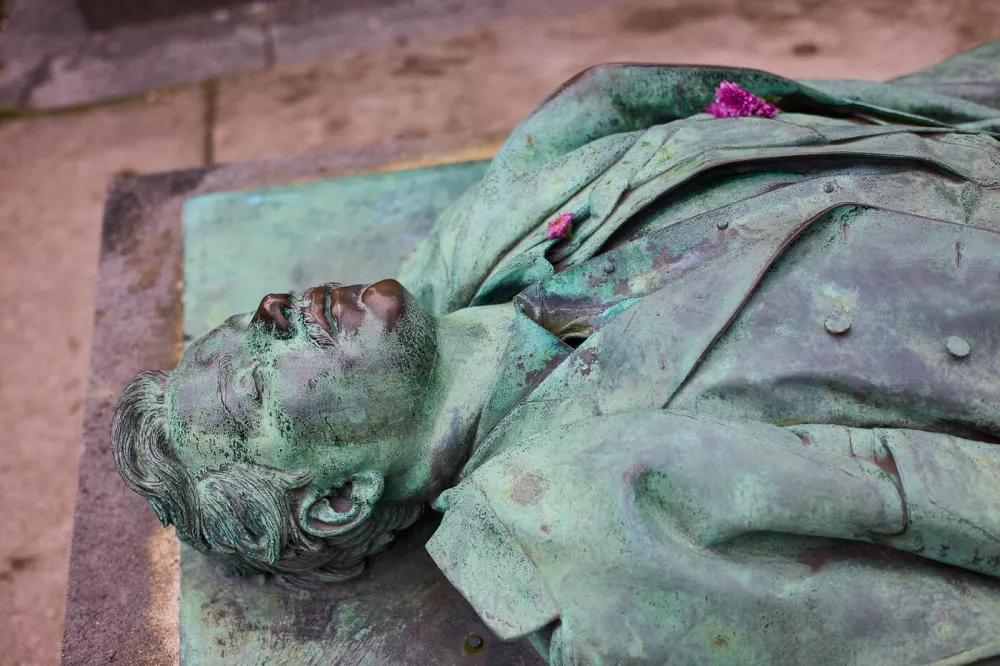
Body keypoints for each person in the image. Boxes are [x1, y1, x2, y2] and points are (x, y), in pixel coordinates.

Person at [112, 42, 1000, 664]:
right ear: (342, 498)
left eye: (251, 318)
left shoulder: (510, 217)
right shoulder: (596, 524)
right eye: (256, 385)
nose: (273, 310)